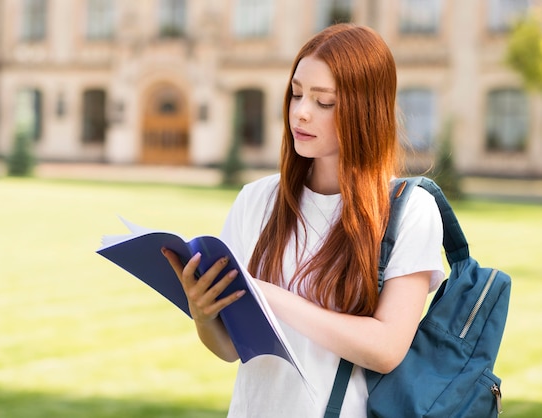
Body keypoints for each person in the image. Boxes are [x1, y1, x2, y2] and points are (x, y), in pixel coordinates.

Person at [162, 23, 445, 417]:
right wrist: (203, 312)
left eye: (324, 101)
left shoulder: (407, 210)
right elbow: (228, 349)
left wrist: (271, 297)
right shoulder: (257, 200)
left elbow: (386, 348)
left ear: (366, 109)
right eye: (296, 94)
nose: (301, 112)